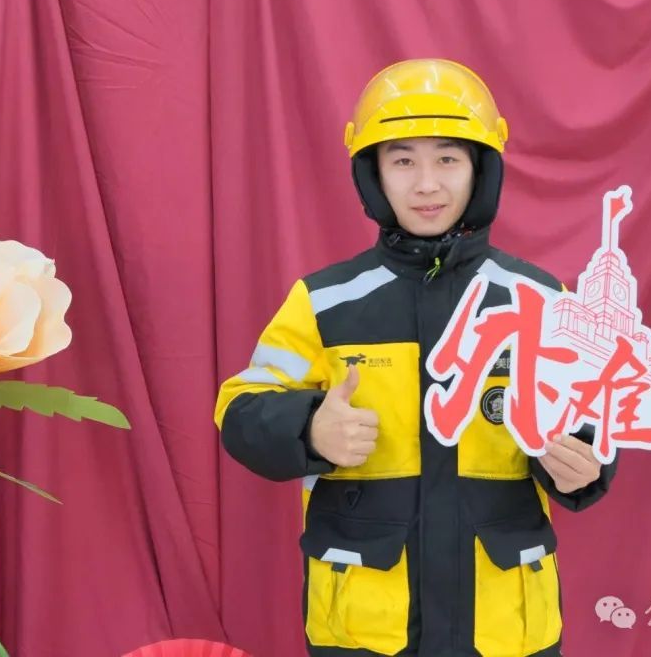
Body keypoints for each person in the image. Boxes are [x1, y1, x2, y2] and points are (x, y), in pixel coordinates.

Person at [214, 58, 618, 657]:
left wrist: (585, 466)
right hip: (364, 626)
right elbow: (240, 410)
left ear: (481, 170)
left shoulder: (541, 301)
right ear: (372, 174)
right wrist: (309, 426)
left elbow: (592, 423)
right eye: (402, 161)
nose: (427, 184)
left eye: (448, 159)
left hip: (505, 626)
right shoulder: (323, 302)